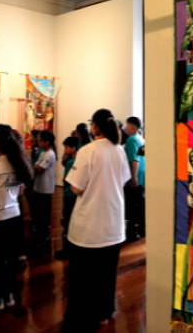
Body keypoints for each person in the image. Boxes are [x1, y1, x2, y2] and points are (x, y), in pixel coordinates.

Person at [63, 109, 131, 333]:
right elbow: (122, 181)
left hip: (89, 226)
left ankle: (82, 319)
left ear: (94, 127)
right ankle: (103, 314)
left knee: (83, 277)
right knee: (106, 274)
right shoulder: (119, 150)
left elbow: (76, 187)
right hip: (113, 224)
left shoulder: (87, 151)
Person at [0, 129, 33, 310]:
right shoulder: (19, 163)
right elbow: (20, 191)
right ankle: (9, 295)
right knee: (11, 258)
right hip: (14, 216)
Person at [31, 130, 56, 252]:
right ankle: (40, 236)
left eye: (40, 140)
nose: (38, 142)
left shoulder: (50, 154)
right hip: (38, 187)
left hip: (45, 189)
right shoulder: (43, 153)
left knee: (43, 217)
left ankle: (45, 237)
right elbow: (35, 166)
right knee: (38, 215)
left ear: (47, 142)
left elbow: (39, 168)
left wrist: (35, 166)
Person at [55, 136, 79, 260]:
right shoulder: (81, 160)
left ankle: (67, 250)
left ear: (73, 149)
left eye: (66, 148)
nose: (64, 150)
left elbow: (66, 179)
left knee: (67, 220)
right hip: (77, 196)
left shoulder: (70, 162)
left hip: (69, 194)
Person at [124, 117, 146, 241]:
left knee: (132, 204)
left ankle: (132, 231)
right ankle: (142, 228)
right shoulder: (141, 139)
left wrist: (133, 177)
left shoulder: (131, 140)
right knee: (140, 202)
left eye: (127, 126)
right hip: (142, 175)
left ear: (132, 127)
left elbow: (134, 159)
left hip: (135, 176)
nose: (125, 128)